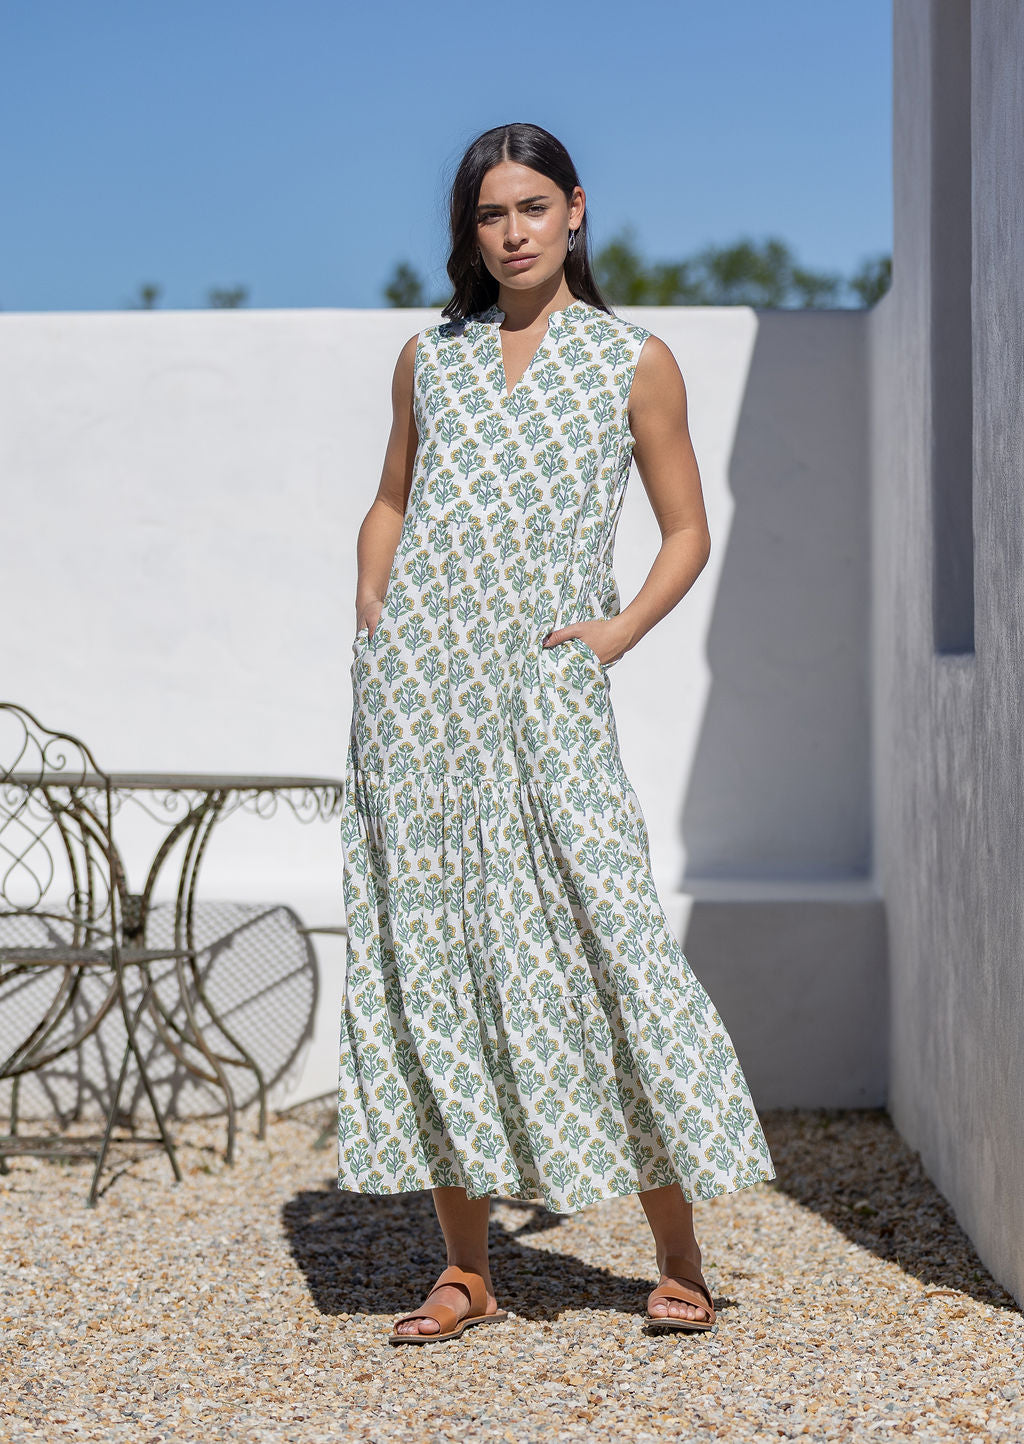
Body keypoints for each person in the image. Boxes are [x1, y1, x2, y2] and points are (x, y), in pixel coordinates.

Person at [338, 121, 775, 1345]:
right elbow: (389, 499)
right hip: (419, 697)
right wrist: (374, 611)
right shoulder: (430, 357)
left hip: (545, 688)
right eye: (491, 214)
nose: (514, 231)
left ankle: (677, 1253)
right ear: (470, 232)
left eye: (533, 206)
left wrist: (614, 634)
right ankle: (468, 1269)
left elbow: (686, 529)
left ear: (575, 211)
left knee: (607, 943)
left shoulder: (632, 360)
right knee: (437, 958)